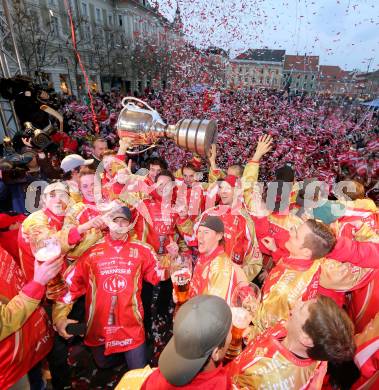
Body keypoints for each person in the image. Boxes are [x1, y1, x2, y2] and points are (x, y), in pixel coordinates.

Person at [53, 206, 171, 375]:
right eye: (114, 219)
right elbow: (68, 287)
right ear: (107, 222)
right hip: (99, 328)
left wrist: (173, 262)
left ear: (130, 224)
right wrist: (59, 316)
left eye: (123, 220)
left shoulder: (143, 250)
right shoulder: (90, 252)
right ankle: (121, 359)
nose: (119, 224)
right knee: (103, 363)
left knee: (138, 375)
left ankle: (136, 356)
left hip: (132, 327)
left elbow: (158, 274)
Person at [228, 295, 356, 389]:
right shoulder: (310, 341)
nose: (297, 302)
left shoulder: (265, 380)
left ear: (306, 338)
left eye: (302, 308)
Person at [116, 295, 233, 389]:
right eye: (229, 331)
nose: (231, 335)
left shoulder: (159, 379)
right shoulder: (221, 383)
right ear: (216, 353)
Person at [253, 219, 336, 333]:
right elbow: (290, 265)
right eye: (295, 229)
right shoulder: (315, 262)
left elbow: (263, 328)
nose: (290, 233)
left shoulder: (281, 292)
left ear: (306, 252)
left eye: (296, 236)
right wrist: (275, 250)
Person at [0, 244, 63, 389]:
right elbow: (3, 323)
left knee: (37, 378)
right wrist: (37, 283)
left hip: (26, 341)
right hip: (9, 364)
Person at [188, 216, 247, 303]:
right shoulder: (204, 256)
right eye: (199, 231)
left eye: (206, 232)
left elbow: (214, 309)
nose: (200, 236)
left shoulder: (220, 267)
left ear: (219, 236)